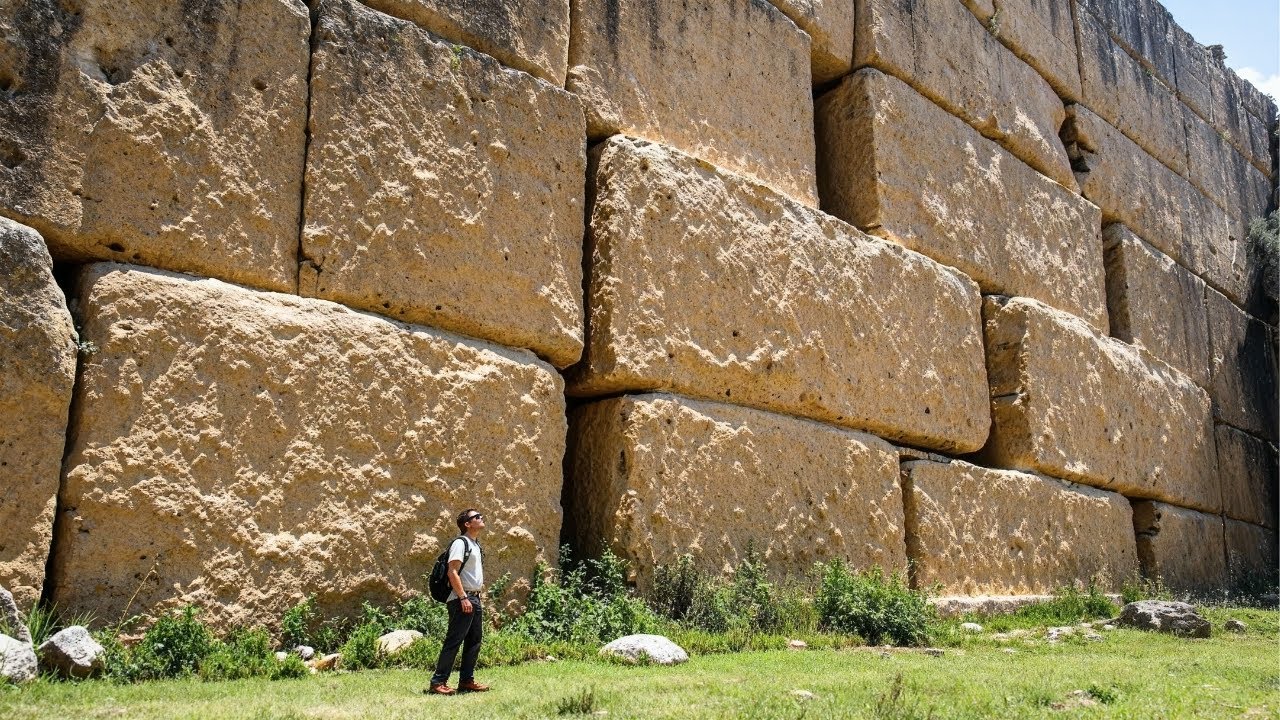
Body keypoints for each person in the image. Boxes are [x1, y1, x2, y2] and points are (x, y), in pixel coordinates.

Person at [427, 509, 490, 695]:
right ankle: (438, 682)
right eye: (476, 517)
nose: (481, 518)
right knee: (454, 640)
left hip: (474, 598)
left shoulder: (476, 545)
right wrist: (463, 597)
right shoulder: (460, 543)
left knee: (474, 641)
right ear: (467, 524)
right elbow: (452, 571)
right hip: (462, 598)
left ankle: (466, 681)